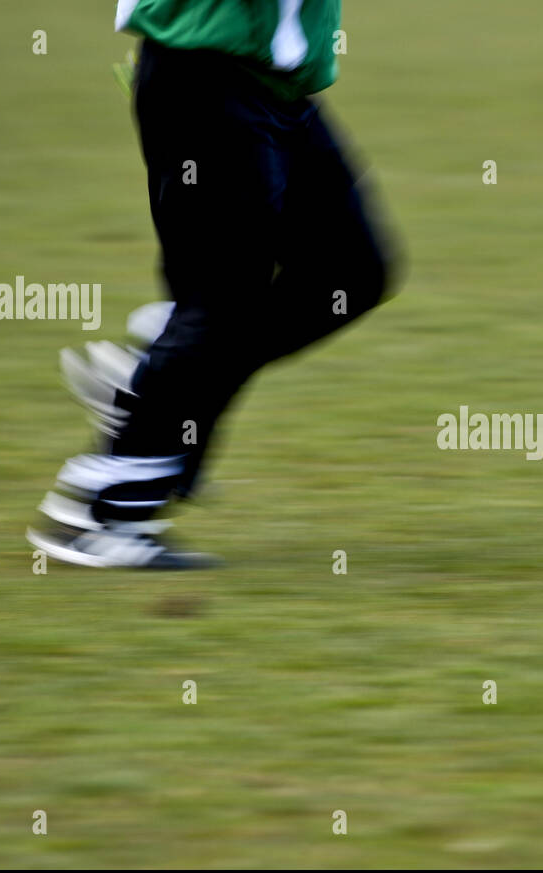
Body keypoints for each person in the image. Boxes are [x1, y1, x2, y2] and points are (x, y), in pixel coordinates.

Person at [27, 0, 398, 568]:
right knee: (222, 304)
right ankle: (100, 517)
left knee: (350, 271)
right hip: (206, 79)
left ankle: (150, 380)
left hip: (276, 86)